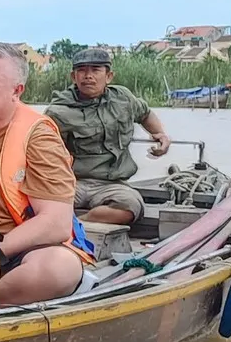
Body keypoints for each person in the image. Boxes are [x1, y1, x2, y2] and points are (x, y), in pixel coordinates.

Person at [0, 44, 96, 305]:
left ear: (16, 91)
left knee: (57, 268)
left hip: (8, 250)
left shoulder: (38, 136)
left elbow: (56, 223)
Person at [46, 47, 172, 226]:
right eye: (82, 71)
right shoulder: (58, 111)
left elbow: (145, 113)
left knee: (131, 206)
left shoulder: (123, 99)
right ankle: (65, 225)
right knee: (41, 205)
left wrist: (159, 134)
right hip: (72, 182)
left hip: (112, 184)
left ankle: (78, 225)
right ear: (73, 77)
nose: (88, 76)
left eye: (95, 70)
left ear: (109, 76)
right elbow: (41, 151)